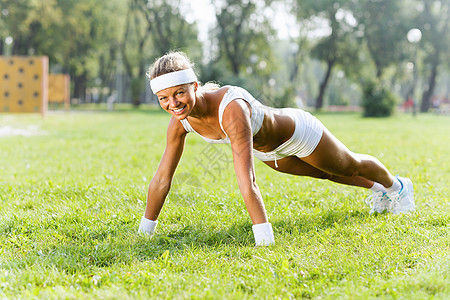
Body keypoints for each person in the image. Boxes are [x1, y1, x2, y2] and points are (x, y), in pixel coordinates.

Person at [138, 51, 415, 246]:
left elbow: (247, 181)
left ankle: (397, 187)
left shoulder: (231, 110)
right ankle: (379, 191)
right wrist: (146, 231)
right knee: (325, 174)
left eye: (179, 93)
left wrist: (264, 238)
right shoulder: (180, 123)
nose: (173, 103)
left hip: (298, 134)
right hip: (268, 152)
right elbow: (162, 179)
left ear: (194, 86)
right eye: (164, 98)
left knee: (347, 166)